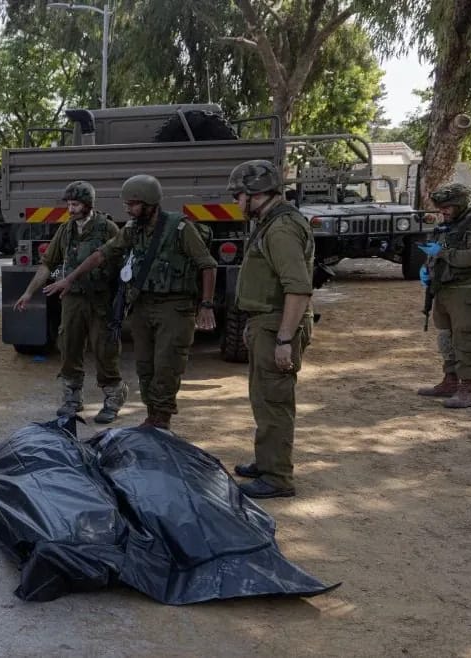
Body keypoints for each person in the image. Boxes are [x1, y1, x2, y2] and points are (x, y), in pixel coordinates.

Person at [44, 175, 217, 429]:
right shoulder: (132, 229)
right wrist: (70, 278)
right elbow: (102, 254)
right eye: (127, 204)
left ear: (150, 203)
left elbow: (208, 265)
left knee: (167, 366)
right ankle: (152, 416)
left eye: (133, 204)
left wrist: (207, 305)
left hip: (174, 307)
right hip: (143, 305)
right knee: (144, 366)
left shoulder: (180, 228)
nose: (128, 209)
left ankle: (161, 420)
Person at [227, 160, 315, 499]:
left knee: (275, 402)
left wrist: (284, 339)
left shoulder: (280, 229)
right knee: (264, 399)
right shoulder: (271, 222)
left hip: (277, 323)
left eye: (238, 195)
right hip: (266, 322)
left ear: (255, 193)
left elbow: (298, 288)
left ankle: (277, 477)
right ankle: (267, 462)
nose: (236, 202)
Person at [14, 181, 127, 423]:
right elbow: (48, 263)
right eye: (69, 204)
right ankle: (72, 398)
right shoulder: (65, 230)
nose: (70, 209)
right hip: (73, 299)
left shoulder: (107, 228)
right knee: (69, 346)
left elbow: (122, 264)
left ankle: (113, 396)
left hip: (100, 300)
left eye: (75, 204)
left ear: (88, 204)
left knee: (104, 348)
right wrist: (29, 292)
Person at [416, 183, 471, 408]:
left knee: (465, 339)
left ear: (460, 204)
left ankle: (467, 390)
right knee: (446, 337)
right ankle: (450, 381)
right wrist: (427, 268)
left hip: (467, 290)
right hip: (444, 289)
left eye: (448, 207)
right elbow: (436, 249)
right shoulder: (449, 224)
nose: (443, 211)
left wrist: (442, 253)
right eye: (441, 207)